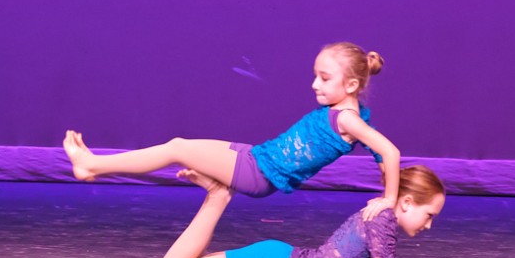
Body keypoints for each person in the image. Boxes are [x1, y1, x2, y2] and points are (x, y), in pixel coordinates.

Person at [64, 42, 401, 219]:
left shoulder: (348, 120)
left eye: (324, 79)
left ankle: (91, 165)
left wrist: (389, 199)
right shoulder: (355, 117)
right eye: (315, 75)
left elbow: (390, 151)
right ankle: (93, 166)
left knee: (176, 148)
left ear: (352, 84)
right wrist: (384, 171)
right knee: (179, 145)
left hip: (260, 174)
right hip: (256, 156)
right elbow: (379, 152)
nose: (314, 84)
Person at [155, 166, 464, 258]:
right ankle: (218, 196)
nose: (428, 225)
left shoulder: (381, 218)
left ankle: (217, 197)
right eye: (429, 215)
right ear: (407, 203)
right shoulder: (382, 219)